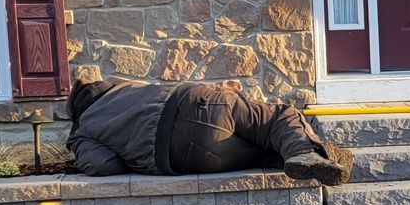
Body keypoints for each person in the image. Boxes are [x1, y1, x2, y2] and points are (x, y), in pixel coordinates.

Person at [67, 79, 351, 184]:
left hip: (182, 153)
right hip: (199, 100)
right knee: (276, 120)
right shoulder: (119, 86)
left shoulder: (83, 130)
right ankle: (308, 151)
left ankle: (311, 156)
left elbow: (103, 165)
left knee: (255, 156)